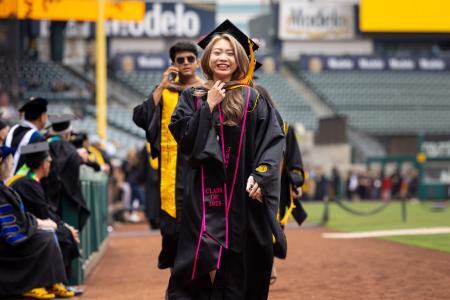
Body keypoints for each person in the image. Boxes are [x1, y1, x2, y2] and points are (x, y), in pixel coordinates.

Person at [168, 19, 285, 300]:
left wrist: (261, 175)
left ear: (239, 59)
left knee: (241, 266)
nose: (223, 57)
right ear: (208, 57)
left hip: (242, 197)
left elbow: (272, 141)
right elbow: (184, 138)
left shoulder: (252, 99)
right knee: (203, 261)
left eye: (230, 53)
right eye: (218, 52)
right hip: (204, 199)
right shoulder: (192, 97)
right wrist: (208, 105)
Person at [132, 41, 203, 271]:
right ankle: (178, 280)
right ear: (173, 64)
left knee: (198, 228)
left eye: (189, 59)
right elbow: (141, 117)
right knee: (172, 231)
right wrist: (163, 85)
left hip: (197, 168)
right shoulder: (165, 93)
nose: (185, 64)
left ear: (198, 62)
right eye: (180, 60)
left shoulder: (208, 90)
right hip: (170, 171)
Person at [0, 145, 74, 299]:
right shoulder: (18, 186)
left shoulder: (4, 188)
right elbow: (13, 225)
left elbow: (19, 218)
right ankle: (31, 285)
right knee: (45, 237)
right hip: (6, 245)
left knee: (49, 234)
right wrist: (39, 223)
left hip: (16, 232)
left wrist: (39, 224)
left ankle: (52, 282)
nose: (12, 166)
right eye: (10, 163)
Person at [42, 114, 90, 231]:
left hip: (43, 197)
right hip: (62, 200)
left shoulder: (42, 143)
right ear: (67, 134)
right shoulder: (68, 148)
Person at [4, 97, 48, 177]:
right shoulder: (38, 138)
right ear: (42, 117)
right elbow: (39, 168)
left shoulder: (11, 130)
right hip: (21, 186)